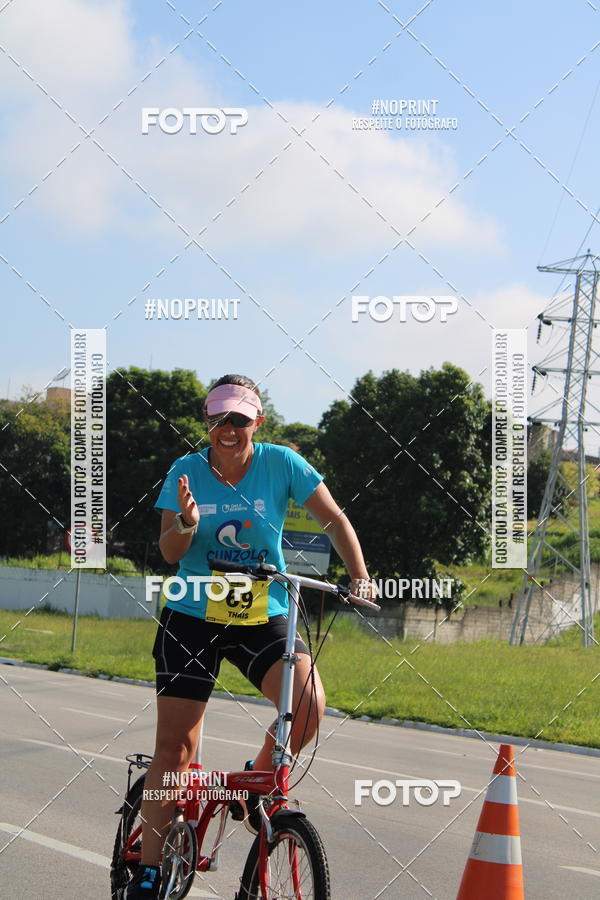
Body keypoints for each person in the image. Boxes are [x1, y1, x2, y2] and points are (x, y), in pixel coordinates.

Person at [126, 374, 373, 899]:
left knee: (307, 705)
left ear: (258, 421)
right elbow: (169, 553)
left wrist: (360, 576)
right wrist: (186, 523)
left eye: (239, 418)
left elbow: (334, 520)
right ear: (206, 422)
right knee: (175, 751)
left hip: (263, 611)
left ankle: (253, 787)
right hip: (193, 614)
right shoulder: (186, 470)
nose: (228, 428)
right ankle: (147, 871)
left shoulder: (282, 464)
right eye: (218, 418)